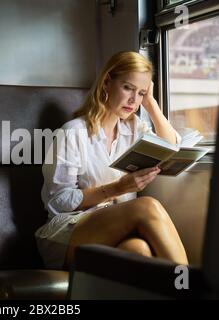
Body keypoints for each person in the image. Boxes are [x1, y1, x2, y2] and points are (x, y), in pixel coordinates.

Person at [35, 51, 188, 270]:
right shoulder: (72, 133)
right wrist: (117, 188)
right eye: (128, 88)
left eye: (141, 93)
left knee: (139, 250)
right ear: (107, 82)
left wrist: (151, 103)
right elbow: (57, 202)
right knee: (147, 206)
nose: (133, 100)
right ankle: (190, 288)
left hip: (116, 230)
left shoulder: (134, 130)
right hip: (68, 232)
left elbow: (171, 147)